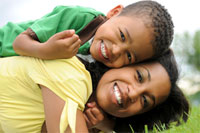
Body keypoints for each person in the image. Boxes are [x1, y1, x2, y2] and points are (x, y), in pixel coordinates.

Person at [0, 48, 189, 133]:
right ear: (123, 62)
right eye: (139, 76)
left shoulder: (91, 118)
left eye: (145, 101)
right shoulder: (70, 73)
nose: (133, 93)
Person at [0, 1, 174, 68]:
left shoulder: (104, 66)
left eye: (128, 55)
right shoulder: (81, 19)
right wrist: (47, 50)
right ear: (114, 13)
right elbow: (19, 42)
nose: (116, 50)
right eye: (122, 36)